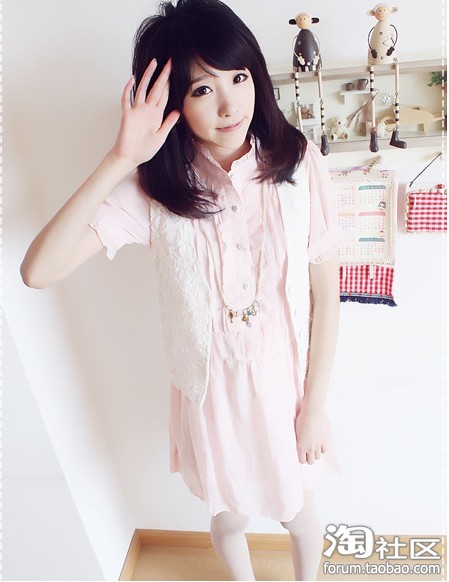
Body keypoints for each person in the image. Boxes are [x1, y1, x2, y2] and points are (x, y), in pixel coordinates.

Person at [21, 0, 344, 579]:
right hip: (212, 396)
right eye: (202, 90)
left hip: (288, 390)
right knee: (228, 516)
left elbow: (327, 291)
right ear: (173, 101)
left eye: (239, 78)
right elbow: (37, 271)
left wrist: (315, 406)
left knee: (299, 513)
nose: (230, 105)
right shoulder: (157, 191)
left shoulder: (299, 165)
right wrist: (120, 158)